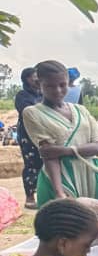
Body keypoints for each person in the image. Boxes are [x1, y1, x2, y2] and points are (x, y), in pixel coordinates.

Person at [21, 60, 98, 206]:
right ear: (40, 85)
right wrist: (59, 192)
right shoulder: (32, 113)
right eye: (50, 86)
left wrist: (62, 150)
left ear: (69, 83)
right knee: (67, 224)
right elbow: (48, 156)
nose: (58, 90)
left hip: (92, 171)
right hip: (60, 177)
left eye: (62, 85)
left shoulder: (81, 110)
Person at [14, 67, 43, 209]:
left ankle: (45, 195)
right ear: (27, 79)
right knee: (31, 165)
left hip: (43, 134)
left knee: (47, 164)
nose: (37, 78)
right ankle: (30, 197)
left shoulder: (43, 94)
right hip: (28, 135)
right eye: (34, 76)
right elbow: (27, 112)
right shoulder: (22, 95)